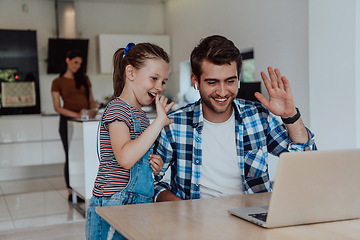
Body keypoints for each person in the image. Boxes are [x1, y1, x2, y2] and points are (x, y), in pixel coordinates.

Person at [153, 35, 317, 201]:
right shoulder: (173, 124)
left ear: (238, 78)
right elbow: (150, 182)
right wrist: (183, 209)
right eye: (212, 82)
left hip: (253, 216)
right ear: (195, 80)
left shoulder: (258, 116)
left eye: (230, 81)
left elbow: (306, 162)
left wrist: (290, 116)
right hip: (196, 221)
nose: (222, 92)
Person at [85, 42, 174, 240]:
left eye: (164, 81)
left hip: (139, 203)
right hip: (114, 204)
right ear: (131, 73)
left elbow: (137, 154)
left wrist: (152, 164)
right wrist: (159, 122)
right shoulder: (117, 109)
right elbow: (125, 158)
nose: (159, 87)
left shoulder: (141, 116)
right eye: (154, 78)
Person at [51, 49, 97, 202]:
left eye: (80, 63)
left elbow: (91, 100)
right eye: (75, 62)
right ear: (67, 61)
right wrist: (77, 114)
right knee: (71, 156)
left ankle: (84, 187)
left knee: (84, 156)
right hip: (68, 122)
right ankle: (71, 190)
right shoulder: (57, 82)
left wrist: (93, 109)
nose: (78, 66)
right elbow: (57, 107)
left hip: (84, 122)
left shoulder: (84, 79)